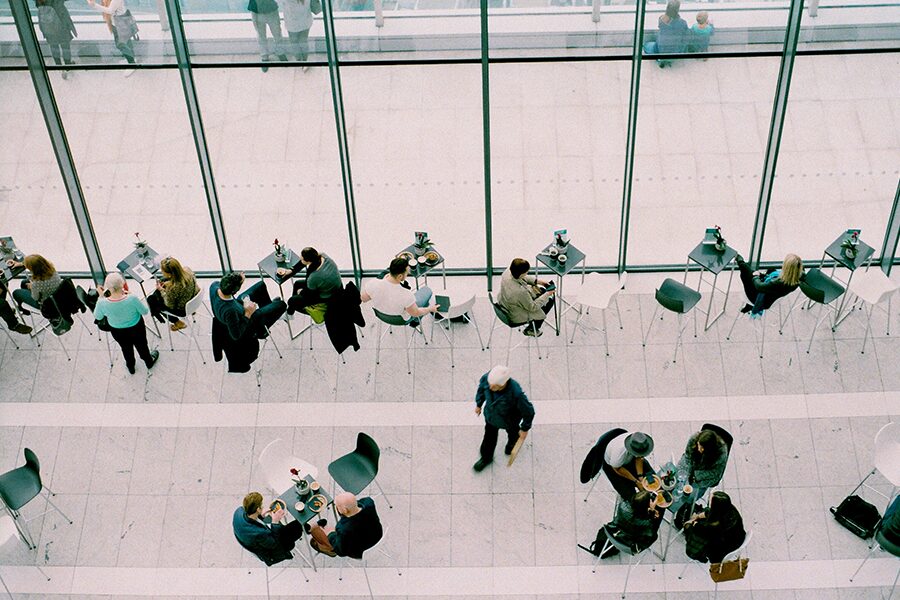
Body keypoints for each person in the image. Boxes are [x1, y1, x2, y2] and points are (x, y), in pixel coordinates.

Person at [93, 272, 159, 375]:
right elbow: (145, 311)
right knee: (142, 346)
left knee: (125, 348)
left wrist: (100, 297)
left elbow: (98, 317)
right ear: (122, 285)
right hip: (136, 328)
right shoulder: (132, 299)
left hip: (117, 330)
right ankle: (148, 361)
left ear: (107, 288)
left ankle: (131, 366)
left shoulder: (102, 303)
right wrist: (131, 294)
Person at [472, 365, 535, 472]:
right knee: (488, 438)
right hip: (491, 417)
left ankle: (511, 447)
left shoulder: (516, 394)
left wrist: (525, 428)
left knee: (513, 435)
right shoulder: (488, 379)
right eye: (490, 385)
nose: (490, 388)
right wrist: (479, 404)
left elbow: (528, 411)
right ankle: (486, 458)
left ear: (503, 384)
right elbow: (481, 390)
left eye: (494, 387)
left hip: (510, 421)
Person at [210, 272, 287, 341]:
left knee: (261, 285)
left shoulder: (214, 285)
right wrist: (248, 313)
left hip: (238, 305)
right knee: (282, 305)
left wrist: (238, 278)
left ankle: (266, 317)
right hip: (247, 322)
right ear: (234, 291)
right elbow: (236, 335)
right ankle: (261, 331)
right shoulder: (230, 311)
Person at [359, 257, 438, 324]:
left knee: (409, 303)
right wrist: (430, 309)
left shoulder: (373, 283)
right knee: (427, 290)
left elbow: (363, 299)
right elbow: (415, 313)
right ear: (400, 276)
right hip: (400, 320)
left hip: (380, 314)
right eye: (407, 273)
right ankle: (417, 321)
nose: (407, 275)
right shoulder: (407, 295)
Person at [233, 492, 304, 564]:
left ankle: (306, 528)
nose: (263, 507)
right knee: (298, 526)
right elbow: (274, 543)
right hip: (273, 550)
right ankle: (307, 528)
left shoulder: (239, 511)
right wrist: (275, 522)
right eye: (261, 505)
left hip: (254, 538)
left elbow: (253, 519)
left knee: (293, 527)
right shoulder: (259, 533)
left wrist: (261, 515)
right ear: (258, 509)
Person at [308, 493, 383, 558]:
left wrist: (330, 534)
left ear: (344, 510)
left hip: (359, 550)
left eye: (337, 506)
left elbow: (341, 551)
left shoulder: (343, 528)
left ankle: (330, 551)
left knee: (319, 532)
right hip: (377, 534)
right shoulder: (369, 503)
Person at [497, 258, 555, 337]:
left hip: (504, 302)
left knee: (541, 292)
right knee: (549, 302)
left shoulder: (507, 272)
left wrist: (538, 282)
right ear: (521, 274)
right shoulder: (520, 292)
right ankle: (531, 329)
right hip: (514, 314)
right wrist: (548, 294)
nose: (527, 273)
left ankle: (532, 326)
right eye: (526, 272)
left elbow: (522, 278)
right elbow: (532, 307)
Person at [683, 491, 746, 563]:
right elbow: (712, 512)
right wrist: (701, 515)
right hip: (736, 539)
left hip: (720, 550)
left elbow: (701, 530)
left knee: (689, 530)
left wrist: (693, 521)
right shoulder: (730, 510)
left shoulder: (714, 527)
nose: (709, 502)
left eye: (711, 503)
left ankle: (700, 556)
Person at [277, 248, 342, 316]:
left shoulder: (314, 277)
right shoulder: (323, 256)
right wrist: (291, 270)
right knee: (297, 283)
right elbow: (303, 263)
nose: (300, 260)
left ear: (308, 261)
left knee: (291, 301)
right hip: (332, 286)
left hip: (327, 295)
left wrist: (301, 292)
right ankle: (291, 309)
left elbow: (311, 294)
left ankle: (293, 310)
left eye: (302, 259)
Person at [735, 253, 803, 316]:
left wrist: (756, 277)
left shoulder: (779, 283)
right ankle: (749, 306)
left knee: (746, 272)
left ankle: (740, 261)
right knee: (771, 270)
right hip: (771, 297)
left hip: (762, 300)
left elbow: (759, 286)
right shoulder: (797, 279)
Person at [146, 256, 200, 331]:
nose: (161, 272)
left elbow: (170, 305)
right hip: (193, 298)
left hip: (182, 309)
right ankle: (192, 312)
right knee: (161, 283)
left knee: (152, 300)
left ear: (170, 274)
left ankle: (177, 322)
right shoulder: (188, 271)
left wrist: (162, 290)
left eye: (162, 271)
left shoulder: (173, 288)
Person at [86, 0, 138, 74]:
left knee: (120, 44)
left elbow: (110, 10)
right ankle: (132, 58)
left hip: (120, 24)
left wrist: (94, 5)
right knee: (126, 41)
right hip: (119, 22)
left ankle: (132, 63)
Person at [604, 491, 663, 555]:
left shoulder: (622, 505)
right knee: (654, 534)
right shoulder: (645, 522)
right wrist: (652, 511)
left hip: (615, 531)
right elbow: (651, 531)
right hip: (630, 543)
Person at [676, 429, 728, 501]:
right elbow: (687, 457)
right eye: (699, 445)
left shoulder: (721, 454)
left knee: (691, 497)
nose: (699, 449)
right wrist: (687, 473)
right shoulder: (694, 439)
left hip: (704, 476)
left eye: (703, 448)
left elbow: (715, 474)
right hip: (693, 465)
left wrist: (696, 476)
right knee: (678, 479)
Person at [604, 431, 655, 500]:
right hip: (615, 467)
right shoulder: (618, 453)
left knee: (652, 476)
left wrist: (641, 477)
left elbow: (639, 458)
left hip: (630, 459)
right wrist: (636, 481)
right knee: (631, 496)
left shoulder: (638, 441)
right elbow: (618, 469)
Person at [35, 0, 77, 79]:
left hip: (47, 25)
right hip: (61, 22)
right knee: (65, 45)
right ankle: (67, 65)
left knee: (53, 46)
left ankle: (59, 66)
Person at [644, 0, 688, 67]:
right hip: (675, 51)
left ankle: (660, 59)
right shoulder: (682, 23)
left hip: (661, 49)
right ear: (678, 9)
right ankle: (666, 60)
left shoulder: (661, 19)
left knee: (646, 46)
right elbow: (685, 38)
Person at [248, 0, 288, 72]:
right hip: (257, 11)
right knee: (261, 36)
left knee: (277, 33)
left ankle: (280, 52)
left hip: (270, 9)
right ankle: (265, 56)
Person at [276, 0, 313, 65]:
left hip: (292, 24)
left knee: (294, 43)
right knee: (304, 41)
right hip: (305, 22)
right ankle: (305, 61)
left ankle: (299, 60)